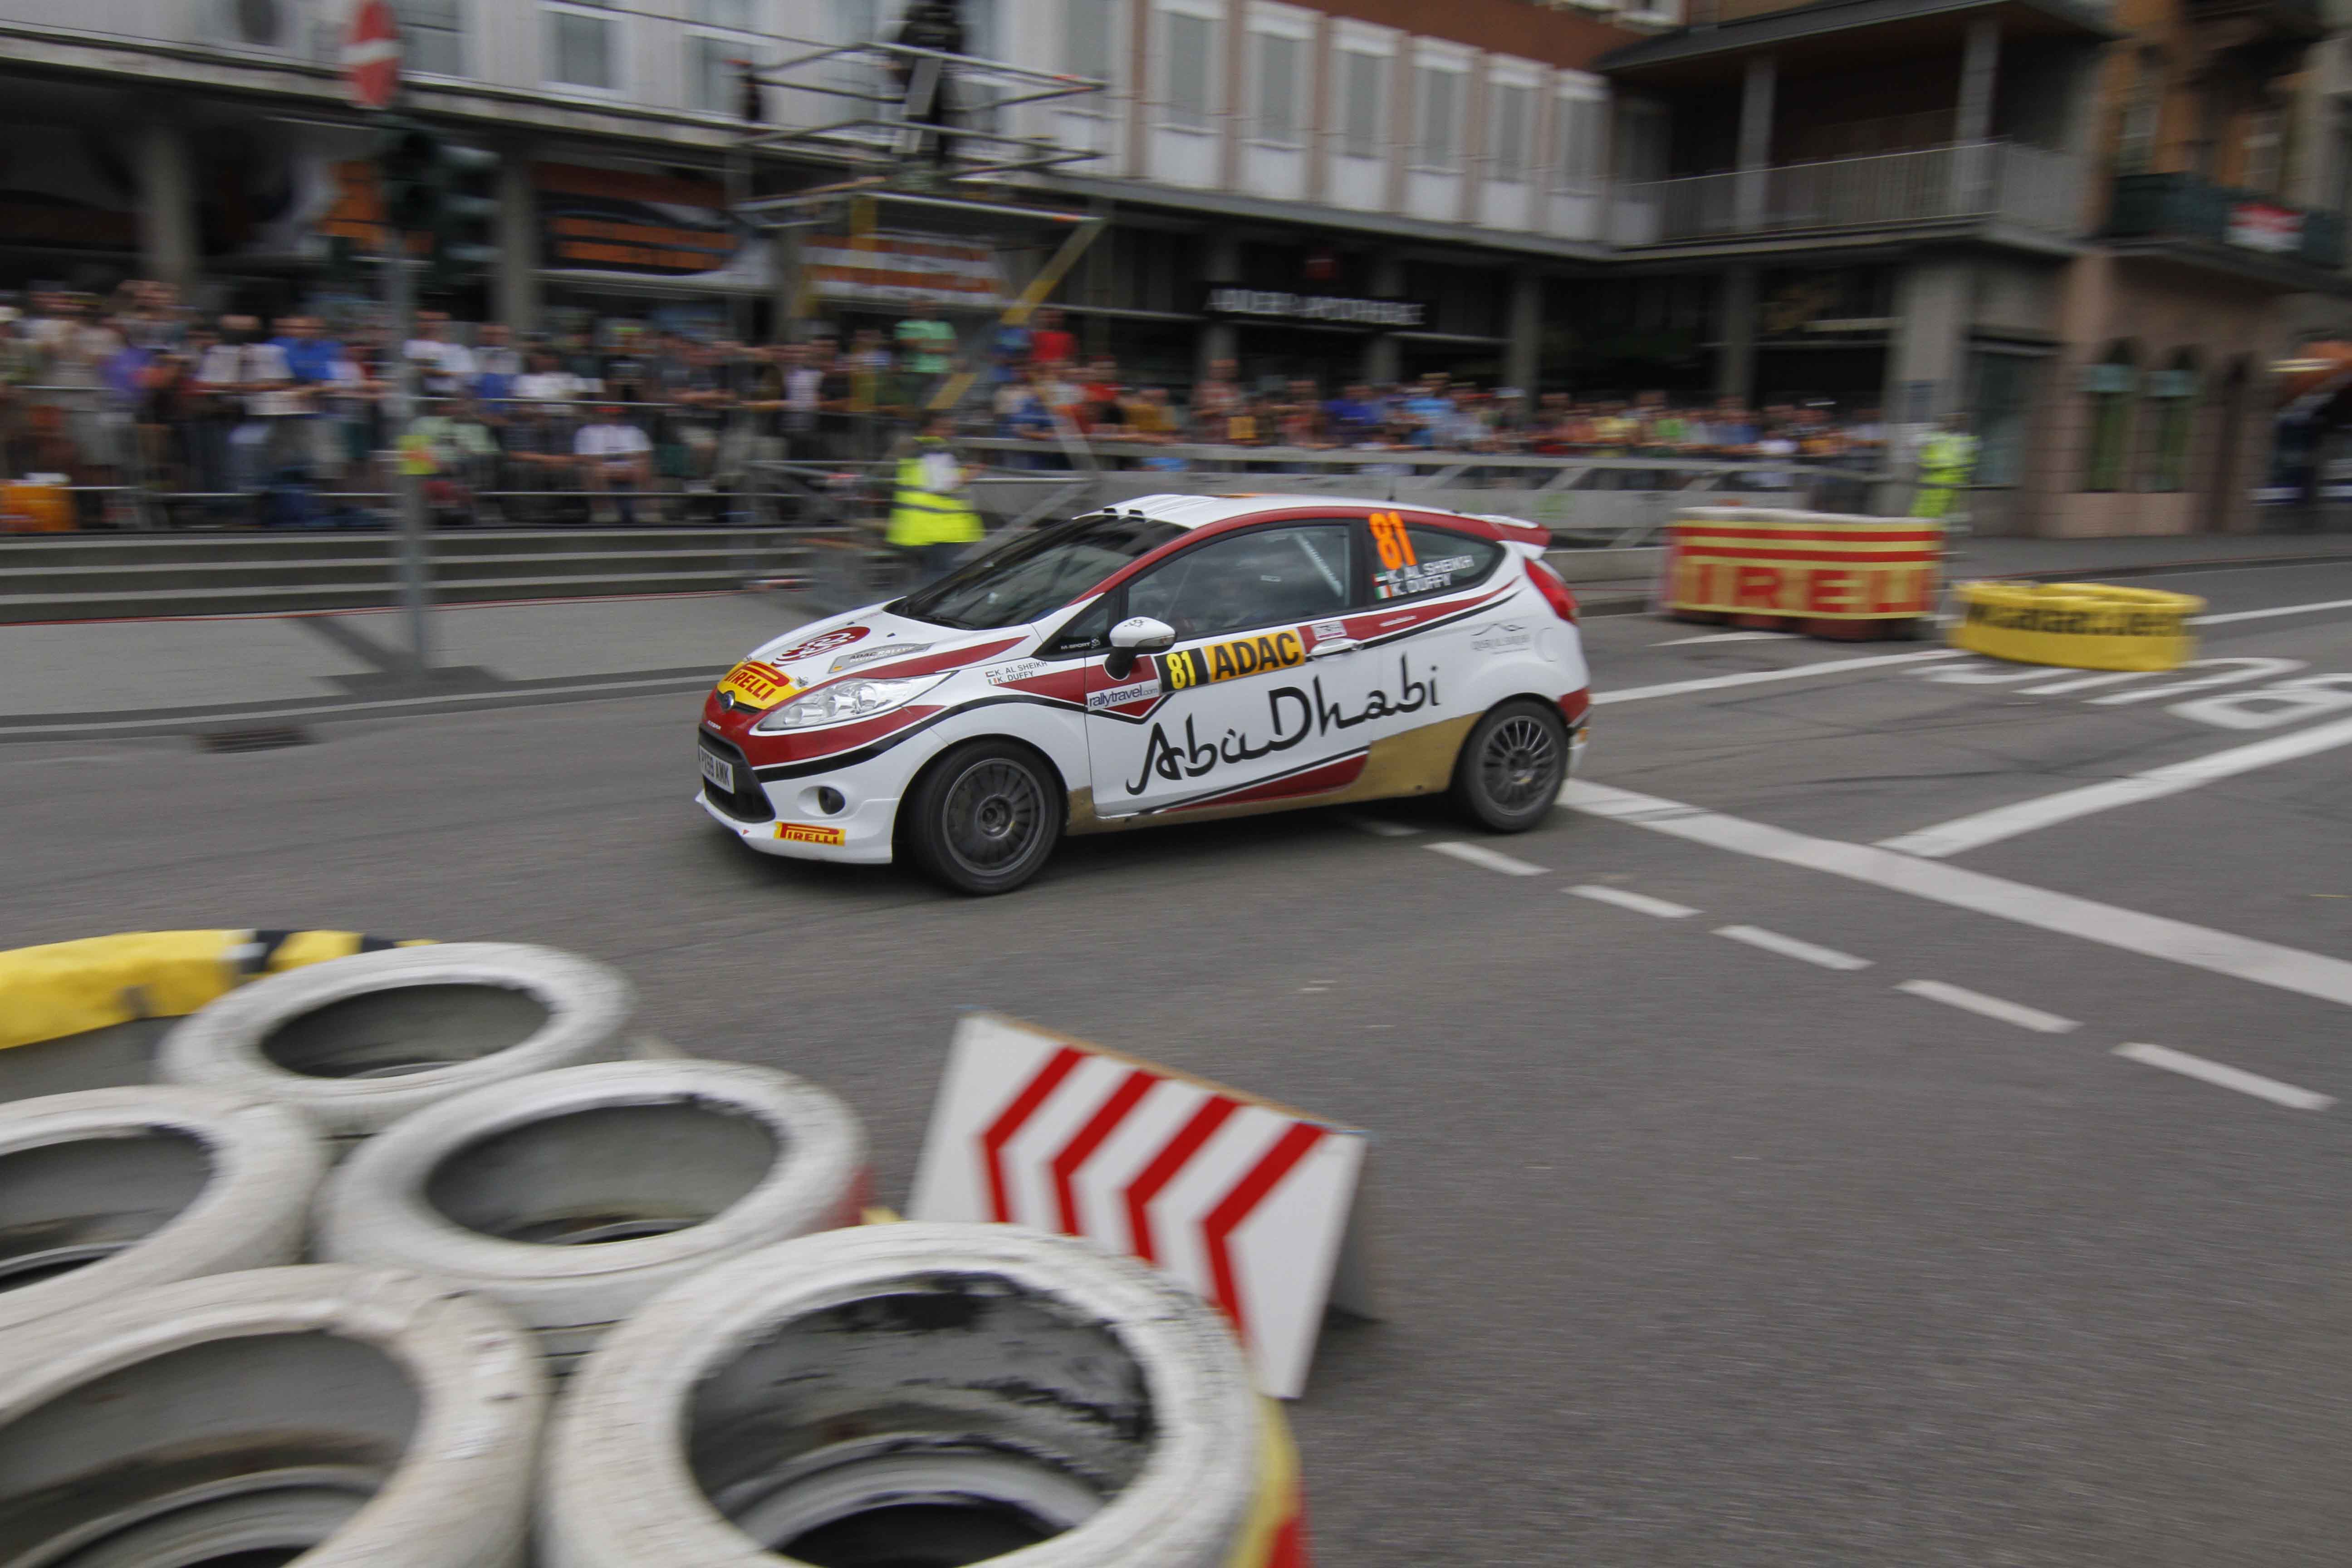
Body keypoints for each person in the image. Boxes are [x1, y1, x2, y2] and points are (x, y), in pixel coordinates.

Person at [888, 410, 983, 584]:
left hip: (917, 529)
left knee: (928, 578)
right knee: (940, 581)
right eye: (944, 428)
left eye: (951, 428)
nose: (950, 433)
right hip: (937, 530)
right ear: (927, 430)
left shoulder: (916, 450)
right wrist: (972, 473)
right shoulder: (936, 450)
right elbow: (942, 485)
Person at [574, 402, 654, 525]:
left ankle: (643, 515)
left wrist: (628, 468)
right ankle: (605, 516)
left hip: (630, 468)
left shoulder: (634, 431)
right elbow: (583, 457)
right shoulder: (586, 432)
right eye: (607, 414)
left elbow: (645, 455)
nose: (612, 417)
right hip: (601, 468)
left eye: (615, 414)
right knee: (596, 472)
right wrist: (608, 468)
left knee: (643, 469)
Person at [1913, 410, 1978, 520]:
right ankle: (1920, 525)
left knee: (1939, 509)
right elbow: (1919, 450)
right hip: (1934, 477)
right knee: (1926, 508)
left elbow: (1968, 461)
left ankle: (1927, 525)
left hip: (1949, 478)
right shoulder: (1935, 437)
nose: (1951, 423)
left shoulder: (1965, 440)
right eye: (1948, 421)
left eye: (1956, 420)